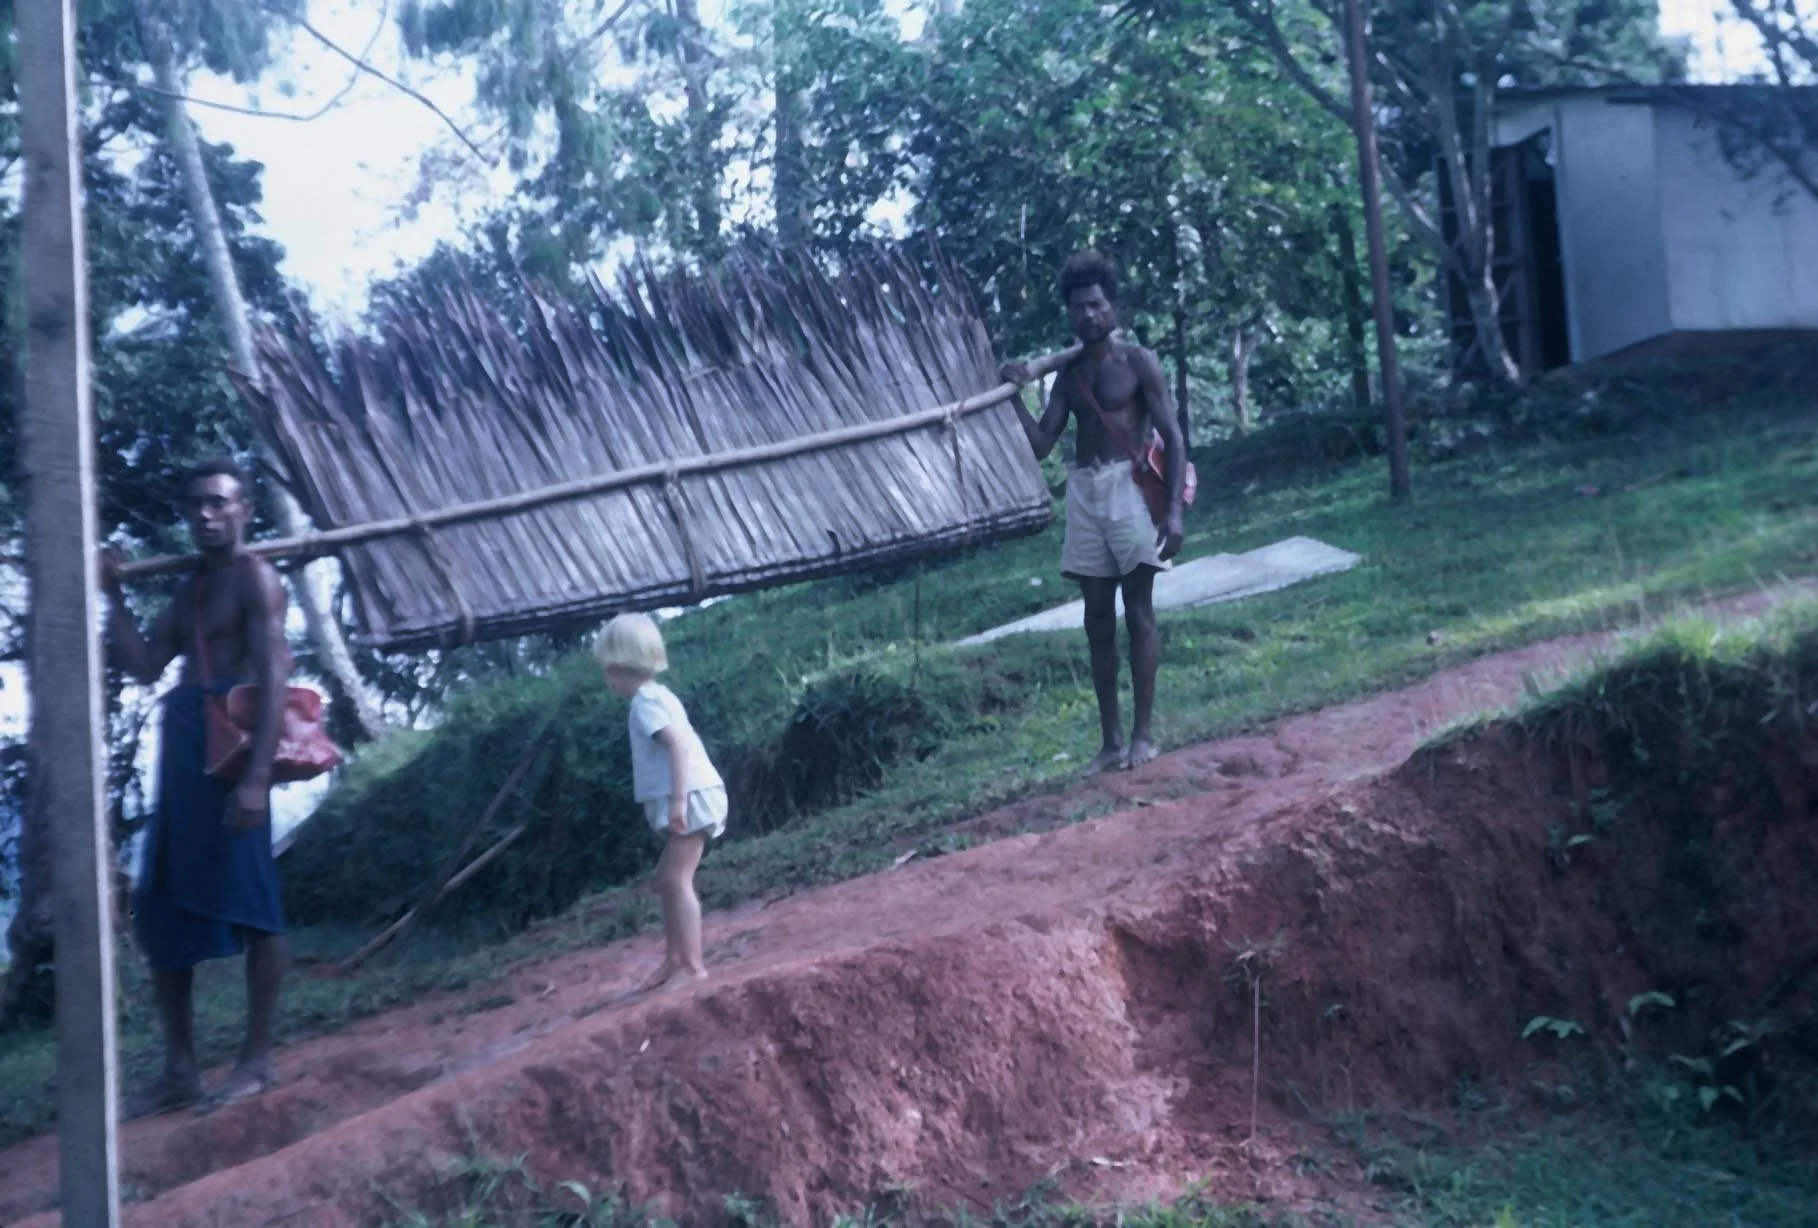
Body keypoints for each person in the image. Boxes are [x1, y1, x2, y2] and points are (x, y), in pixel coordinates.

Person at [101, 458, 293, 1115]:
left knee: (255, 903)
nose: (205, 516)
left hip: (236, 758)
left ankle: (258, 1060)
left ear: (245, 510)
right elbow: (146, 664)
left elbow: (273, 677)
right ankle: (181, 1070)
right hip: (184, 755)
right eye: (195, 506)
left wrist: (258, 780)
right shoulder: (188, 591)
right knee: (161, 907)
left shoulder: (256, 580)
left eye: (218, 503)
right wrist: (115, 596)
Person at [1001, 252, 1188, 777]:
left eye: (1096, 305)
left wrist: (1172, 512)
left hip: (1130, 490)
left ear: (1113, 308)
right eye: (1078, 307)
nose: (1087, 315)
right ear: (1068, 313)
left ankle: (1143, 737)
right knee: (1097, 621)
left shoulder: (1138, 363)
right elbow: (1042, 444)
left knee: (1140, 610)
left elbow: (1171, 436)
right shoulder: (1067, 376)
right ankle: (1109, 744)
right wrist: (1014, 394)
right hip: (1085, 494)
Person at [594, 613, 727, 995]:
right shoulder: (658, 695)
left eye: (607, 673)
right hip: (696, 795)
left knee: (675, 880)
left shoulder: (645, 705)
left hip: (694, 797)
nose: (608, 682)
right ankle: (674, 959)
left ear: (618, 669)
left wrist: (679, 802)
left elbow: (678, 745)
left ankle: (691, 964)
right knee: (666, 880)